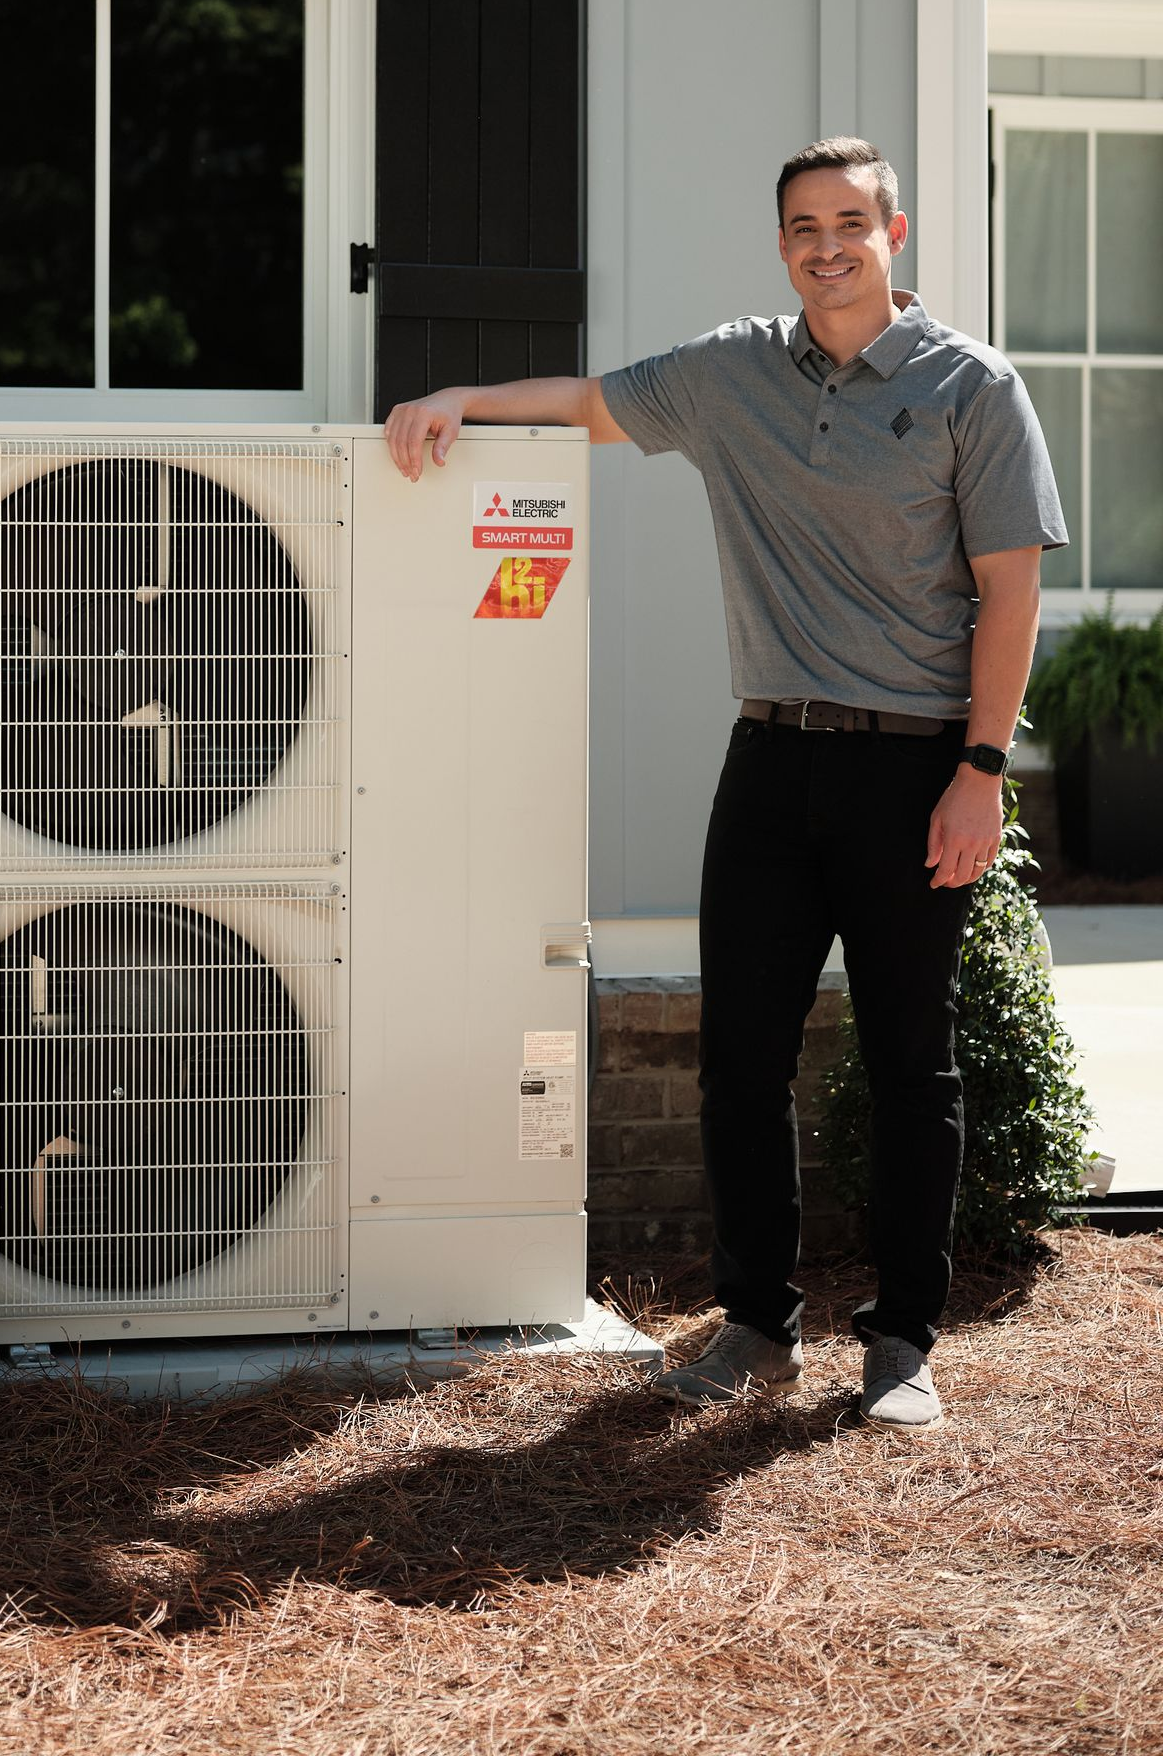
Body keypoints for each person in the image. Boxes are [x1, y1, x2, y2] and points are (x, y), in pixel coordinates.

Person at [386, 136, 1065, 1432]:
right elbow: (590, 404)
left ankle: (903, 1341)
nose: (828, 245)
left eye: (851, 222)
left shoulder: (972, 386)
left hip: (918, 764)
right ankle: (757, 1324)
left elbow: (1012, 589)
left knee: (909, 1056)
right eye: (805, 225)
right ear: (782, 244)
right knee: (738, 1056)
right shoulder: (729, 373)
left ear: (895, 232)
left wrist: (981, 768)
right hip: (769, 761)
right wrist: (465, 398)